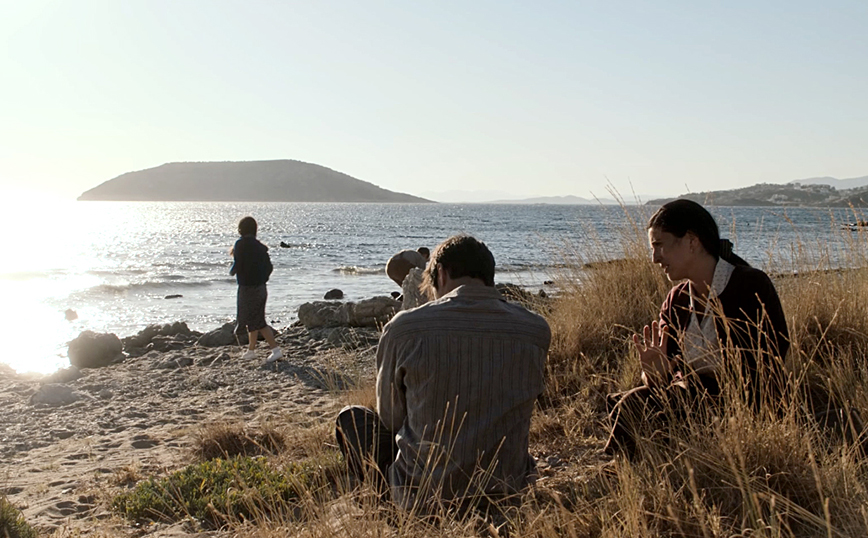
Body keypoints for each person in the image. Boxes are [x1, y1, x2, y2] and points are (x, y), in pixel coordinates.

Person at [336, 234, 551, 513]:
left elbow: (390, 419)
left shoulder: (404, 328)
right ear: (489, 275)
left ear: (441, 273)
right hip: (506, 489)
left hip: (423, 495)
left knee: (351, 418)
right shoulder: (535, 329)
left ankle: (386, 504)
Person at [605, 199, 789, 455]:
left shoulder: (750, 286)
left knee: (635, 405)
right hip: (689, 405)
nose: (654, 258)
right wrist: (654, 374)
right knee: (630, 402)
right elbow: (660, 380)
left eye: (659, 246)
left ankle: (619, 470)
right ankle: (627, 469)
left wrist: (702, 388)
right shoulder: (676, 299)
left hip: (741, 411)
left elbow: (772, 358)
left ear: (692, 241)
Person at [230, 216, 282, 364]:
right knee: (255, 318)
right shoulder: (260, 247)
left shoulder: (240, 244)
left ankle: (275, 349)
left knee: (256, 320)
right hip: (261, 288)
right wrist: (262, 279)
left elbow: (237, 264)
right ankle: (251, 350)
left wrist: (232, 271)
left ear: (241, 229)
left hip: (247, 288)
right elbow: (269, 267)